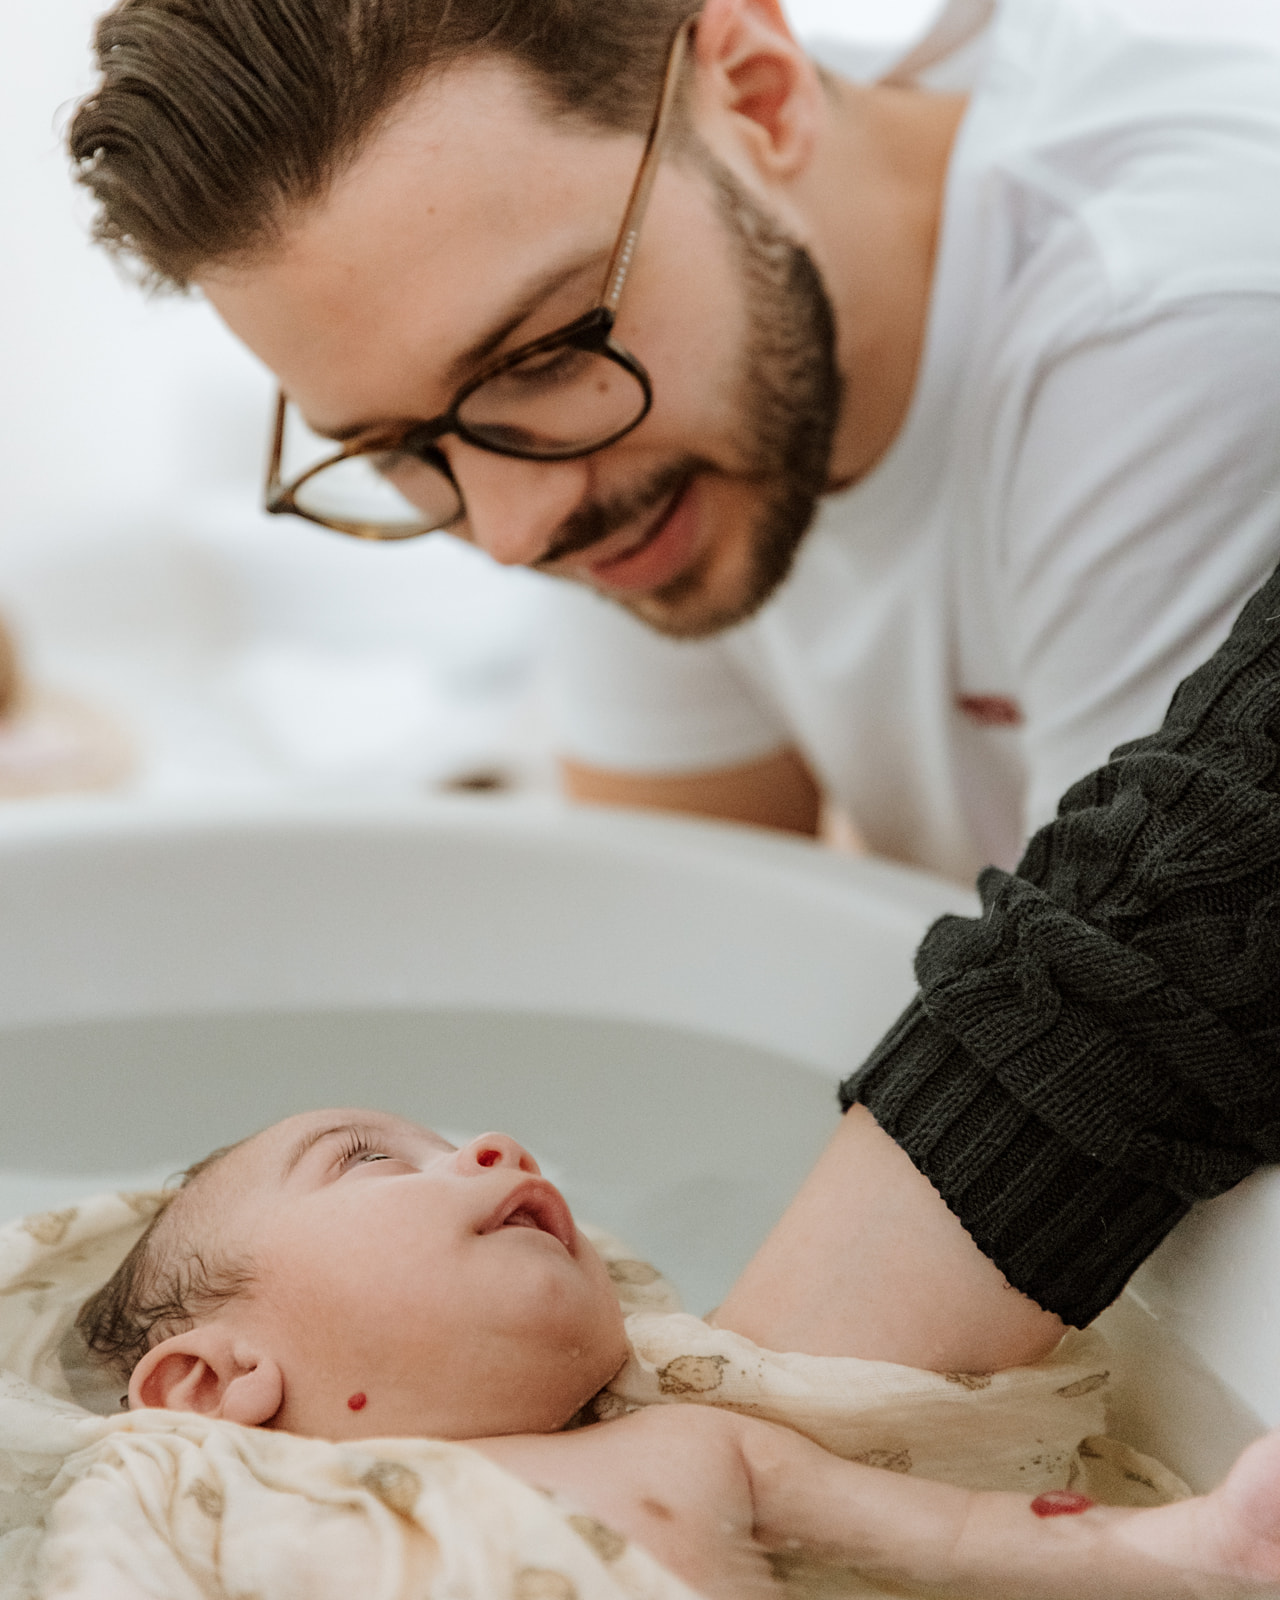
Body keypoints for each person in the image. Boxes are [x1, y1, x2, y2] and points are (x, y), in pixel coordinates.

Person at [65, 0, 1280, 1380]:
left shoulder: (1172, 326)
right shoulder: (632, 406)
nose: (514, 531)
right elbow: (702, 967)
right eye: (402, 449)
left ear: (760, 94)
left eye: (537, 357)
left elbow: (1125, 1035)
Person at [76, 1107, 1280, 1600]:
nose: (488, 1144)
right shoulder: (207, 1510)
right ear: (210, 1380)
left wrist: (1197, 1544)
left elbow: (968, 1539)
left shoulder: (696, 1443)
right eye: (367, 1159)